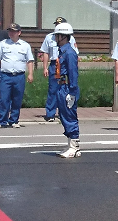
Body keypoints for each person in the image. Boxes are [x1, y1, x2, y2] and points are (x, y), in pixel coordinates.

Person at [40, 17, 79, 122]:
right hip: (54, 65)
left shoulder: (70, 40)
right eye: (56, 24)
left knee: (64, 91)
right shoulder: (50, 37)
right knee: (52, 90)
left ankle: (64, 112)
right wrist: (45, 67)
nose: (58, 25)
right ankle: (50, 113)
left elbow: (74, 56)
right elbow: (46, 52)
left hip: (64, 65)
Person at [52, 23, 81, 158]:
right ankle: (71, 144)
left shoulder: (69, 53)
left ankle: (74, 146)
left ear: (63, 36)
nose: (55, 38)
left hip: (67, 87)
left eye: (57, 35)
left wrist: (72, 92)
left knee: (69, 116)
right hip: (61, 86)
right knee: (64, 116)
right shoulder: (63, 51)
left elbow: (73, 73)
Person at [0, 23, 34, 128]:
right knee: (3, 98)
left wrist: (30, 74)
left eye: (14, 31)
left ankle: (14, 120)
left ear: (19, 32)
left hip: (19, 76)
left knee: (17, 99)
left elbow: (30, 60)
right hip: (5, 75)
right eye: (10, 31)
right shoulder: (2, 44)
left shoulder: (25, 45)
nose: (11, 33)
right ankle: (2, 121)